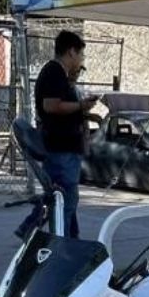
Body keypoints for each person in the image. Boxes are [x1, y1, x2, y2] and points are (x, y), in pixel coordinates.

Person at [22, 30, 97, 239]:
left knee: (62, 198)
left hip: (65, 147)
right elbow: (51, 105)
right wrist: (81, 106)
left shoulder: (59, 74)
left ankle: (67, 237)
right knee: (65, 199)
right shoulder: (54, 71)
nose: (81, 60)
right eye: (81, 54)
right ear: (71, 52)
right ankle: (60, 241)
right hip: (60, 148)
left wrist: (82, 110)